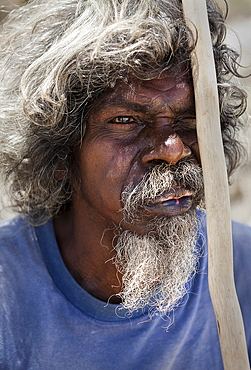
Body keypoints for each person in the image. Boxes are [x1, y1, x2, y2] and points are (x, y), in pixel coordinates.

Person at [0, 0, 250, 368]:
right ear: (60, 152)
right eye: (125, 119)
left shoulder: (240, 266)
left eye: (189, 118)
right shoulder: (8, 295)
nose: (173, 148)